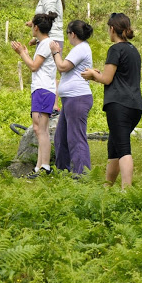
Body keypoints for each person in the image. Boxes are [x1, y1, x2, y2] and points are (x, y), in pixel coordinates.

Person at [82, 13, 142, 190]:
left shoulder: (115, 49)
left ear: (112, 29)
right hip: (135, 105)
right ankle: (107, 187)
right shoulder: (133, 50)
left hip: (119, 105)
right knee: (114, 146)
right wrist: (98, 75)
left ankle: (126, 190)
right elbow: (119, 76)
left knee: (123, 147)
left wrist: (93, 75)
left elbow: (107, 79)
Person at [11, 12, 58, 179]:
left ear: (36, 27)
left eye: (32, 25)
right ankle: (39, 167)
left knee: (41, 129)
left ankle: (44, 166)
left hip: (43, 90)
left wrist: (21, 53)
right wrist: (26, 52)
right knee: (39, 129)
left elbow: (33, 66)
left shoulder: (45, 44)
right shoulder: (43, 44)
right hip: (41, 89)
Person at [49, 20, 94, 176]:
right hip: (70, 99)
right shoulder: (79, 49)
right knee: (61, 138)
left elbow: (62, 67)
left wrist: (55, 52)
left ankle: (82, 174)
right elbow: (65, 71)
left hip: (78, 98)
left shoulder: (80, 49)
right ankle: (63, 171)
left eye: (68, 34)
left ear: (72, 34)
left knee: (76, 138)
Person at [26, 0, 65, 116]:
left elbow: (50, 16)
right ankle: (53, 105)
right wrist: (36, 38)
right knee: (49, 71)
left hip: (52, 37)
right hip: (47, 37)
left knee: (49, 72)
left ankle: (54, 106)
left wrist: (34, 24)